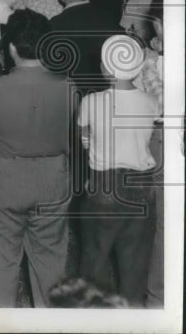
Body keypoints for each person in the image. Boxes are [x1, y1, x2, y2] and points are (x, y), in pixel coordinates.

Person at [0, 10, 72, 307]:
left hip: (4, 179)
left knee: (2, 259)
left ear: (11, 48)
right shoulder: (68, 86)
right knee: (50, 258)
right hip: (52, 177)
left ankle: (3, 319)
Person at [77, 34, 160, 306]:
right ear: (137, 69)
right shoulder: (151, 102)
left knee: (94, 259)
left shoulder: (91, 102)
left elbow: (85, 138)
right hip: (142, 184)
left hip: (104, 184)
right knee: (135, 265)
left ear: (105, 68)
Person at [49, 0, 119, 96]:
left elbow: (55, 71)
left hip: (72, 97)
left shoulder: (55, 25)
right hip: (109, 94)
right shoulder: (108, 17)